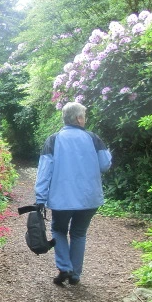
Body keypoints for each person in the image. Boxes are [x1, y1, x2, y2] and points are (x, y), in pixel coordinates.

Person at [34, 102, 112, 286]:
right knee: (79, 233)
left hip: (62, 199)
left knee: (59, 230)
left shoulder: (53, 140)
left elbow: (44, 171)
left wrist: (40, 198)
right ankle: (75, 274)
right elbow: (105, 165)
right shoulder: (93, 138)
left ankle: (64, 267)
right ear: (78, 118)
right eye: (84, 115)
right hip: (89, 198)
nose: (85, 119)